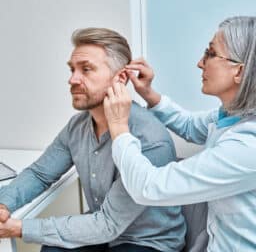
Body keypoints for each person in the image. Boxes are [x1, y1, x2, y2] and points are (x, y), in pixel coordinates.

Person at [0, 28, 186, 252]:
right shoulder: (77, 127)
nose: (72, 79)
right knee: (52, 250)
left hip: (147, 241)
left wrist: (20, 228)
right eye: (72, 69)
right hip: (103, 231)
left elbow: (109, 224)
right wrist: (4, 204)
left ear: (120, 78)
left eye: (86, 69)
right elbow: (40, 174)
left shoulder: (150, 139)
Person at [103, 16, 256, 251]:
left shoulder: (246, 147)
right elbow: (189, 126)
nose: (200, 63)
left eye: (211, 53)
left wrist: (119, 128)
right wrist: (148, 93)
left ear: (239, 71)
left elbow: (149, 188)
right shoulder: (232, 115)